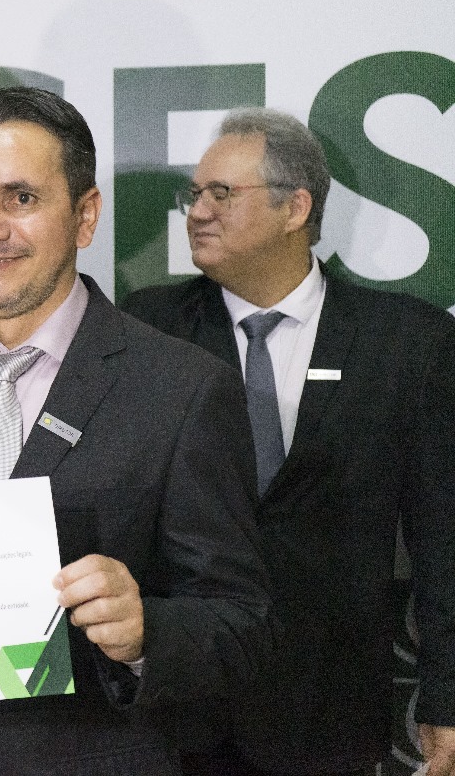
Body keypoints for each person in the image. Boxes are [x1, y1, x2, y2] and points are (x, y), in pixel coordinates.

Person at [0, 86, 273, 775]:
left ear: (85, 216)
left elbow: (241, 625)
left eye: (20, 198)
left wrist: (145, 631)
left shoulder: (181, 388)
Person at [122, 108, 455, 776]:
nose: (197, 212)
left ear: (295, 207)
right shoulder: (144, 330)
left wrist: (446, 698)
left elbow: (443, 538)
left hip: (331, 714)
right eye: (195, 193)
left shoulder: (408, 344)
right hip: (177, 715)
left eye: (222, 193)